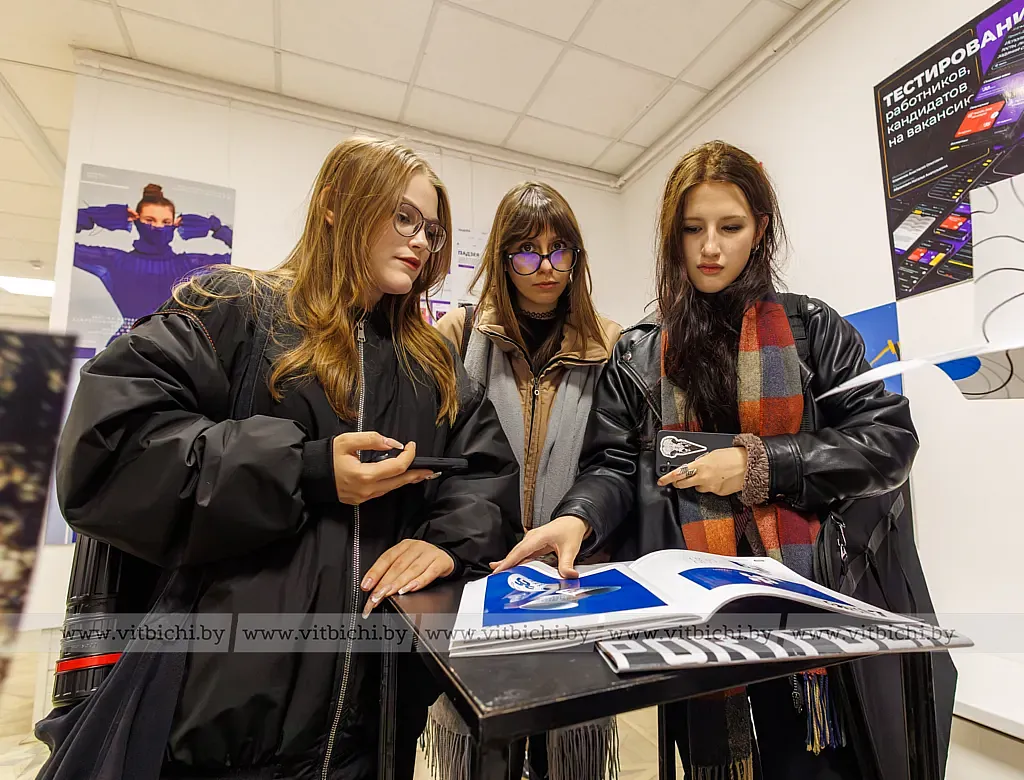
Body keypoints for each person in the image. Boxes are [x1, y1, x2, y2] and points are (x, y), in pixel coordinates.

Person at [40, 137, 521, 780]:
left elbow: (486, 471)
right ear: (337, 206)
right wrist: (306, 469)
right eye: (403, 217)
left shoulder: (430, 364)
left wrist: (448, 543)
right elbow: (108, 446)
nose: (422, 242)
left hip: (373, 732)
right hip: (218, 732)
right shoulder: (237, 307)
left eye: (432, 229)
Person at [491, 141, 920, 779]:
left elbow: (888, 440)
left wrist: (761, 466)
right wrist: (578, 517)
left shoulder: (814, 330)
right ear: (673, 236)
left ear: (761, 230)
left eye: (730, 227)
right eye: (693, 229)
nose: (710, 247)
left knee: (807, 765)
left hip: (801, 608)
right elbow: (612, 463)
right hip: (691, 618)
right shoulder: (639, 353)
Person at [425, 182, 622, 780]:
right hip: (478, 581)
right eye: (526, 252)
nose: (545, 268)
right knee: (484, 753)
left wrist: (581, 522)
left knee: (572, 751)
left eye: (560, 251)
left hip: (574, 580)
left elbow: (616, 461)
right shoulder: (456, 339)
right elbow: (438, 461)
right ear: (500, 258)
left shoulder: (609, 346)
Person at [74, 183, 233, 341]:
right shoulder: (114, 260)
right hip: (133, 346)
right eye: (149, 220)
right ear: (135, 220)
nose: (157, 227)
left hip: (169, 348)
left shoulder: (189, 264)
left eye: (165, 222)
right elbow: (67, 244)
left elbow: (238, 257)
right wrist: (104, 216)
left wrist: (214, 227)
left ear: (175, 225)